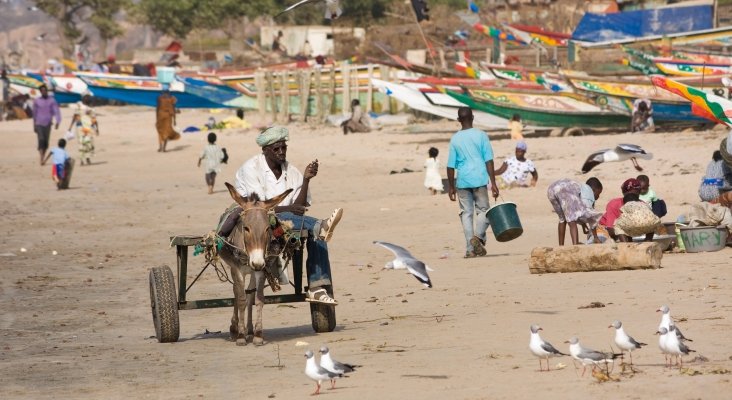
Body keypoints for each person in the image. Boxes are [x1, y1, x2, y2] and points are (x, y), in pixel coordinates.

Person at [221, 126, 343, 305]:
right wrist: (290, 209)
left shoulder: (291, 171)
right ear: (265, 150)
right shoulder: (251, 168)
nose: (281, 152)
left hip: (283, 222)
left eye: (284, 147)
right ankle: (319, 225)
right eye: (276, 149)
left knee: (317, 235)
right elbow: (257, 209)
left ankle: (317, 287)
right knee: (312, 226)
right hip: (255, 222)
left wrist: (306, 179)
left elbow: (299, 208)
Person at [447, 107, 499, 258]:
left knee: (466, 214)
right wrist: (493, 183)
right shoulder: (481, 135)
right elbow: (488, 160)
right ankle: (478, 237)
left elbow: (450, 165)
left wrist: (450, 187)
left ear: (458, 120)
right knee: (484, 211)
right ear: (473, 117)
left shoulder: (455, 138)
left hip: (462, 180)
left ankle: (470, 249)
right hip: (480, 179)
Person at [546, 178, 603, 246]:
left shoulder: (581, 188)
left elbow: (580, 212)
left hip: (551, 189)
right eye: (598, 193)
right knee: (572, 220)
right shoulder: (589, 192)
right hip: (566, 189)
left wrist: (583, 224)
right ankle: (575, 247)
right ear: (593, 190)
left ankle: (561, 246)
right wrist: (596, 237)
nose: (598, 197)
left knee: (562, 219)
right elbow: (591, 216)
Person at [32, 84, 61, 165]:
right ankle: (41, 158)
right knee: (41, 140)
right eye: (42, 90)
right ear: (40, 91)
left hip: (48, 123)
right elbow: (34, 114)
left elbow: (56, 111)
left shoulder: (52, 100)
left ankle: (43, 156)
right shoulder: (37, 101)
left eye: (45, 90)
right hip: (39, 123)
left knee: (46, 142)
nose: (44, 92)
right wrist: (34, 125)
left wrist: (58, 121)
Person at [68, 95, 99, 166]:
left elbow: (93, 119)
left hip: (84, 127)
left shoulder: (87, 108)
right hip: (83, 127)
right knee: (85, 142)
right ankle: (84, 159)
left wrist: (96, 128)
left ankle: (85, 158)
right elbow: (75, 116)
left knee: (85, 142)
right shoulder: (83, 108)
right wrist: (70, 126)